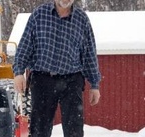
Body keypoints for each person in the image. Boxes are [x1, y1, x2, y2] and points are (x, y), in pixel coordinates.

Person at [12, 0, 101, 137]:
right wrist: (18, 72)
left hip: (72, 81)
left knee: (74, 131)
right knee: (39, 130)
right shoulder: (39, 15)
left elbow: (89, 53)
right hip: (42, 79)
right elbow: (25, 46)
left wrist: (94, 84)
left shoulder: (82, 20)